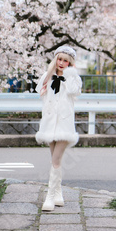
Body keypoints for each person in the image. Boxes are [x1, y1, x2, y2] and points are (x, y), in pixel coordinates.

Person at [35, 45, 82, 211]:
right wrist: (49, 75)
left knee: (55, 160)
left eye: (65, 61)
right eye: (59, 59)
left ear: (70, 63)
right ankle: (58, 192)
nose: (61, 63)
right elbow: (39, 91)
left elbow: (74, 91)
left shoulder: (73, 78)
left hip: (64, 124)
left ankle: (49, 196)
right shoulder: (48, 76)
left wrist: (69, 74)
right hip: (49, 124)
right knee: (57, 160)